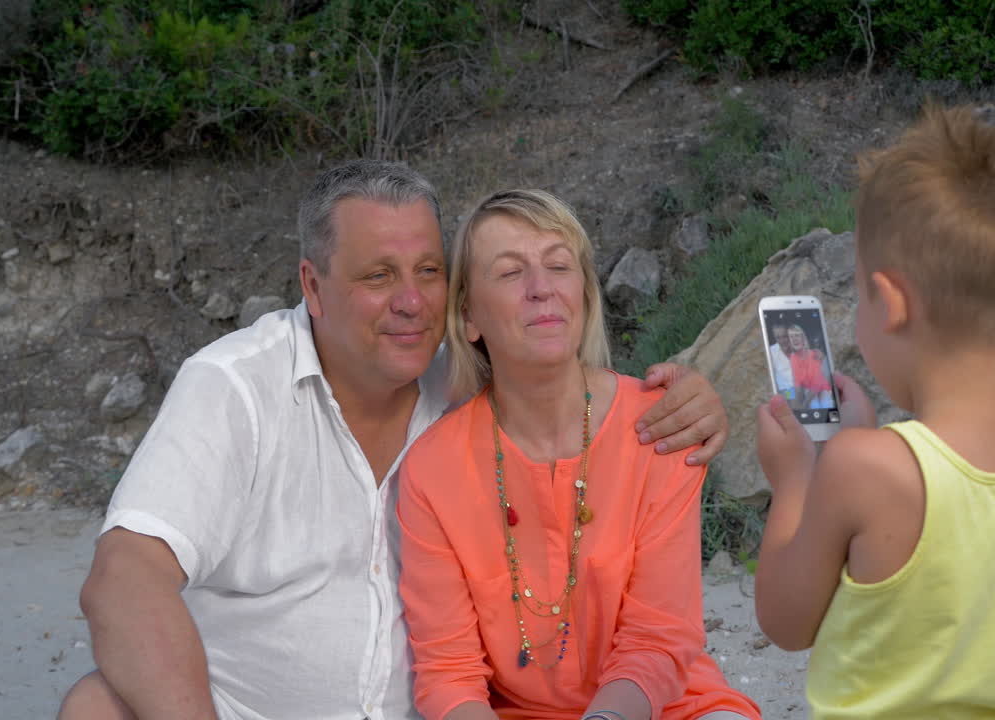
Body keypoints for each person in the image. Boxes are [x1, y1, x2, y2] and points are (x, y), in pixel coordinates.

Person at [58, 161, 731, 720]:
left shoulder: (467, 381)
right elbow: (124, 581)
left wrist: (698, 402)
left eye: (429, 272)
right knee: (96, 707)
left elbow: (568, 390)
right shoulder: (236, 389)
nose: (411, 301)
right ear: (312, 286)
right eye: (378, 276)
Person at [397, 189, 760, 720]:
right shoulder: (433, 470)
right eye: (510, 272)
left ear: (585, 295)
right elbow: (449, 675)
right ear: (469, 316)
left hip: (662, 704)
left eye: (559, 266)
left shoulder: (661, 425)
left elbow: (658, 638)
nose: (542, 289)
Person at [753, 105, 995, 719]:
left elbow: (786, 623)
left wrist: (793, 481)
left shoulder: (857, 468)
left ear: (890, 303)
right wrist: (865, 438)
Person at [786, 325, 833, 410]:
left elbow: (817, 383)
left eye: (797, 335)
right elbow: (797, 384)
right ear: (789, 341)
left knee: (826, 404)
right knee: (814, 406)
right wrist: (797, 405)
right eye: (791, 336)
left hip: (822, 388)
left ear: (803, 338)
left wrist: (804, 405)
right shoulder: (793, 358)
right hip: (806, 390)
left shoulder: (815, 354)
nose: (794, 339)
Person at [767, 323, 796, 401]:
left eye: (784, 336)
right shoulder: (771, 352)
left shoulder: (798, 346)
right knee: (792, 399)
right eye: (778, 338)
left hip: (804, 387)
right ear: (775, 338)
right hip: (786, 390)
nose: (782, 341)